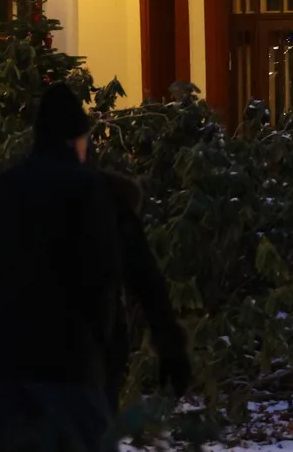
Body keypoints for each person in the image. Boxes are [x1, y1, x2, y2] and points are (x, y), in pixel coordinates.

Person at [0, 83, 123, 452]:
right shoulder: (87, 189)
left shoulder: (3, 188)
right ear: (76, 139)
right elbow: (102, 278)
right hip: (69, 362)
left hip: (8, 365)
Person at [99, 170, 192, 409]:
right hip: (92, 354)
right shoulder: (106, 198)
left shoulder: (11, 192)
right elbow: (145, 278)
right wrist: (171, 346)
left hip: (19, 360)